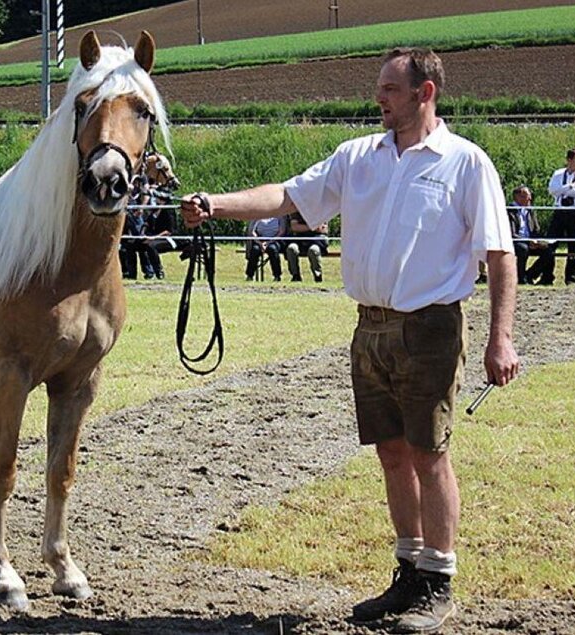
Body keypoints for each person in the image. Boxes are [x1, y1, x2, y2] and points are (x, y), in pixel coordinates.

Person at [180, 47, 518, 633]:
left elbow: (500, 255)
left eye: (390, 87)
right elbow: (288, 196)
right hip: (370, 327)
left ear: (425, 92)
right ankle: (409, 572)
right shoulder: (358, 157)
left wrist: (501, 338)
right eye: (381, 87)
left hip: (431, 326)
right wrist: (215, 205)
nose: (379, 97)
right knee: (391, 451)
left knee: (429, 454)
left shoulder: (466, 164)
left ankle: (438, 583)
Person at [546, 148, 575, 284]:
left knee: (574, 246)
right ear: (569, 160)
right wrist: (569, 186)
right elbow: (552, 191)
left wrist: (563, 190)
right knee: (550, 244)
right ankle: (546, 276)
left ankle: (571, 277)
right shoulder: (558, 174)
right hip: (560, 211)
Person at [507, 185, 554, 284]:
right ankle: (521, 278)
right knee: (523, 249)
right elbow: (511, 233)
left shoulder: (530, 210)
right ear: (518, 197)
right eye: (527, 196)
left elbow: (536, 230)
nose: (530, 198)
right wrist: (528, 241)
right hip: (515, 241)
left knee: (548, 251)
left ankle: (531, 275)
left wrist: (539, 241)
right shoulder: (509, 211)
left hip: (530, 241)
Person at [284, 211, 328, 283]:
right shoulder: (296, 211)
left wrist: (302, 227)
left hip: (316, 240)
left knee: (314, 250)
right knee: (291, 248)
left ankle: (318, 276)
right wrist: (312, 227)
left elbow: (322, 229)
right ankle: (296, 276)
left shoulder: (320, 210)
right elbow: (294, 227)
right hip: (298, 239)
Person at [143, 195, 176, 280]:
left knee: (151, 246)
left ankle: (158, 271)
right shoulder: (154, 212)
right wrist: (143, 232)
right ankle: (132, 273)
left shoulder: (168, 212)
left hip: (168, 239)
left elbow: (169, 231)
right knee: (131, 245)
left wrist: (154, 238)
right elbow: (148, 223)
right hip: (153, 237)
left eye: (157, 198)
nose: (155, 200)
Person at [245, 215, 287, 281]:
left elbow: (281, 231)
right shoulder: (257, 214)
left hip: (275, 240)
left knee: (272, 249)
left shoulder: (279, 214)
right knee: (255, 250)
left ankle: (277, 276)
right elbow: (252, 231)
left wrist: (269, 242)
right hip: (259, 240)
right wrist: (260, 243)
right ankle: (249, 276)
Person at [118, 205, 153, 279]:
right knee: (128, 252)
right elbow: (126, 231)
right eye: (138, 211)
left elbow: (148, 228)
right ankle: (131, 274)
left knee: (144, 252)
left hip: (143, 240)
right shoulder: (128, 218)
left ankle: (149, 272)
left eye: (141, 211)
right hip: (131, 241)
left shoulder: (145, 217)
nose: (140, 212)